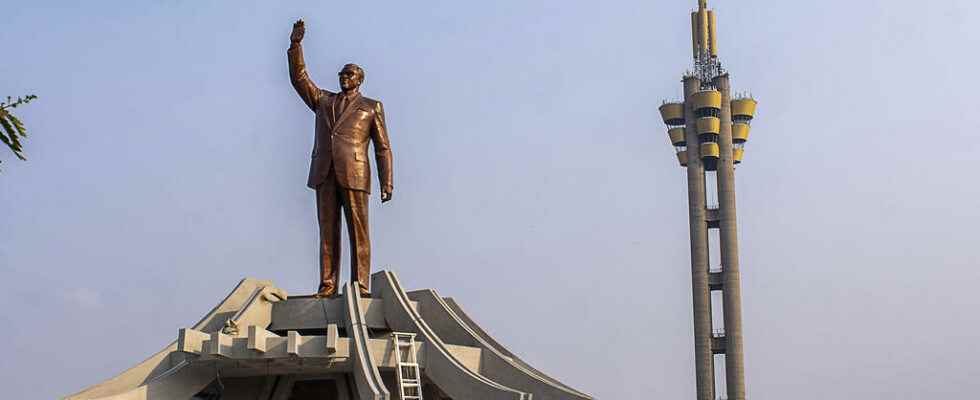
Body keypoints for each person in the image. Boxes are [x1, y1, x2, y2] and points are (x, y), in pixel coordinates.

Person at [287, 19, 393, 297]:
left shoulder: (371, 107)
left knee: (359, 232)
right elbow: (300, 79)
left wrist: (387, 182)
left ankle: (361, 285)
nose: (343, 77)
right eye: (341, 74)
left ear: (359, 79)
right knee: (327, 233)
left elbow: (383, 147)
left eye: (349, 74)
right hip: (325, 171)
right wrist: (295, 45)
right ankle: (327, 285)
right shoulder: (324, 101)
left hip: (355, 173)